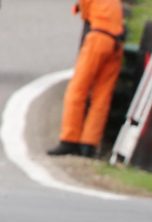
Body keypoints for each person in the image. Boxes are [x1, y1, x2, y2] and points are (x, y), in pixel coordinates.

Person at [48, 0, 125, 158]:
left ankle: (69, 139)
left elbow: (85, 11)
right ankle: (89, 144)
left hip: (98, 38)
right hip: (116, 42)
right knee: (102, 96)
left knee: (77, 89)